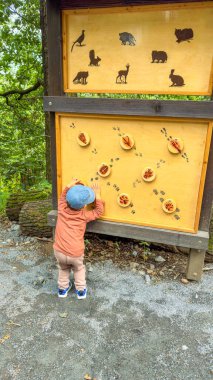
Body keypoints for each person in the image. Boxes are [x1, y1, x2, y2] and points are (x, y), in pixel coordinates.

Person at [53, 178, 104, 299]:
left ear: (67, 201)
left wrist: (68, 186)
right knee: (78, 269)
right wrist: (98, 195)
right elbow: (98, 211)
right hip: (75, 253)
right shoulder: (84, 215)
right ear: (84, 205)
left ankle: (62, 289)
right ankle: (81, 291)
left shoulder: (61, 210)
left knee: (63, 269)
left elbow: (61, 198)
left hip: (59, 251)